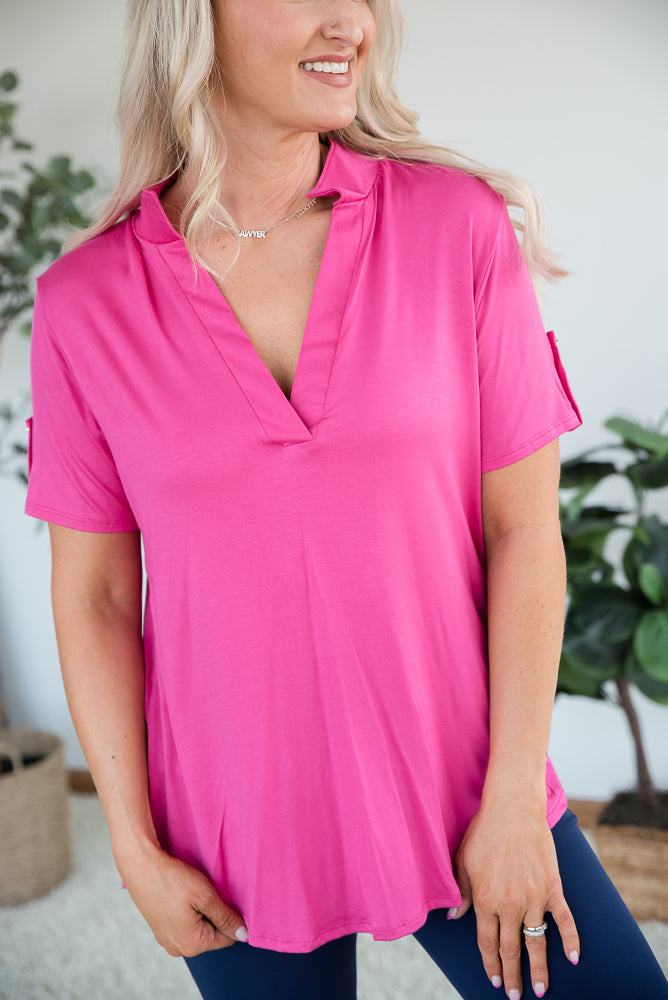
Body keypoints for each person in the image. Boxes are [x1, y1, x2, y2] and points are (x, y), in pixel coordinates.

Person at [25, 1, 668, 998]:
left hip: (469, 779)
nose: (351, 23)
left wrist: (512, 796)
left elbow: (522, 530)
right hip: (233, 817)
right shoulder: (84, 303)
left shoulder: (455, 227)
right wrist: (131, 843)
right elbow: (95, 596)